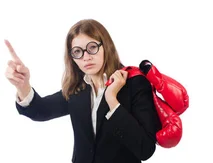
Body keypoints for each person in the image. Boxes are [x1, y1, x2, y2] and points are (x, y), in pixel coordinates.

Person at [4, 19, 162, 163]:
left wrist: (112, 100)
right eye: (77, 52)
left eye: (92, 47)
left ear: (105, 46)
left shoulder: (135, 83)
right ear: (72, 57)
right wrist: (23, 85)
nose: (86, 57)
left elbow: (145, 149)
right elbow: (41, 111)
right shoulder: (78, 89)